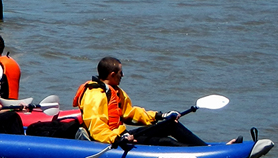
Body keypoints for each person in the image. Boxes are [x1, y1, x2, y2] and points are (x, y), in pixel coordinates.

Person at [73, 56, 206, 147]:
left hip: (122, 136)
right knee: (166, 142)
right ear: (112, 74)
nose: (123, 75)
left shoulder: (116, 92)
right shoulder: (94, 95)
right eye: (121, 73)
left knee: (170, 124)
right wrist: (117, 139)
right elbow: (96, 127)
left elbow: (129, 113)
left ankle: (204, 148)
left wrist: (159, 116)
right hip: (111, 140)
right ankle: (203, 155)